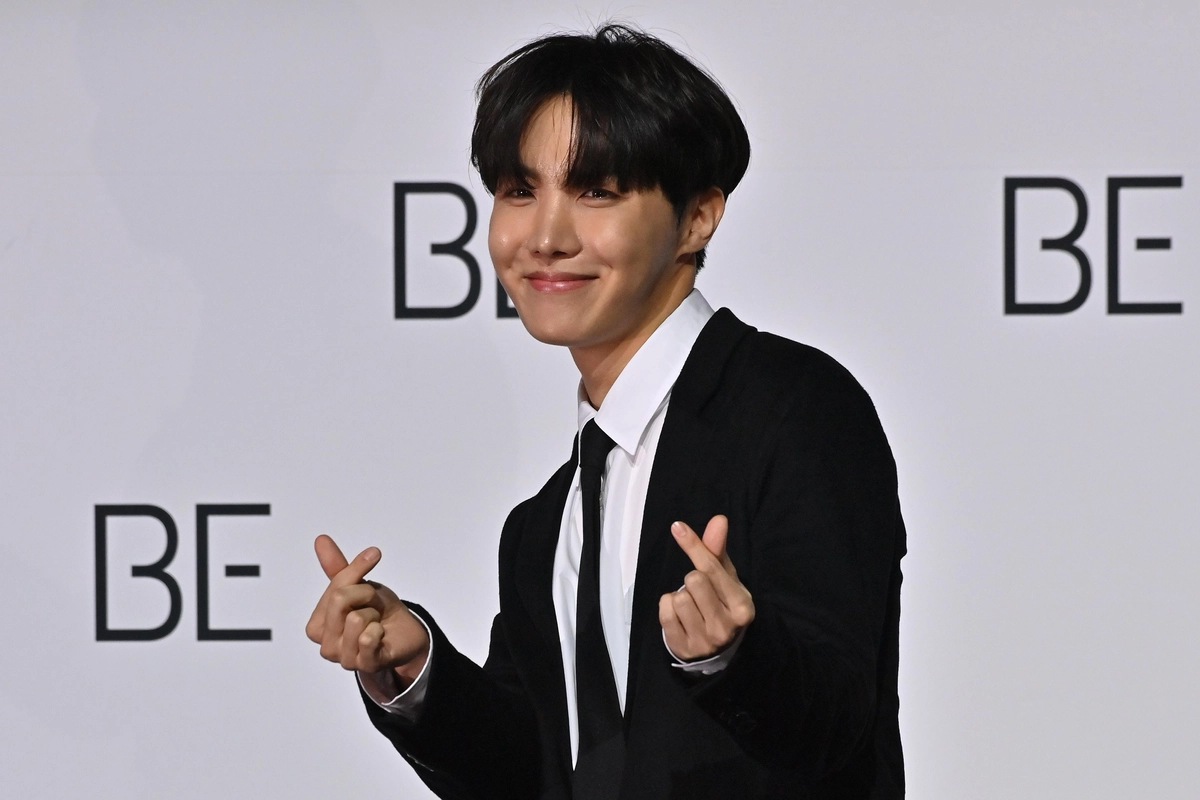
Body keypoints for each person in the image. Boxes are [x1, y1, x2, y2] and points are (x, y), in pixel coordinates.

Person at [307, 23, 905, 800]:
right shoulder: (541, 526)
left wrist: (733, 659)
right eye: (519, 191)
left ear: (698, 217)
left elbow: (842, 721)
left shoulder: (797, 409)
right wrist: (416, 672)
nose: (546, 236)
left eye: (596, 191)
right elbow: (534, 775)